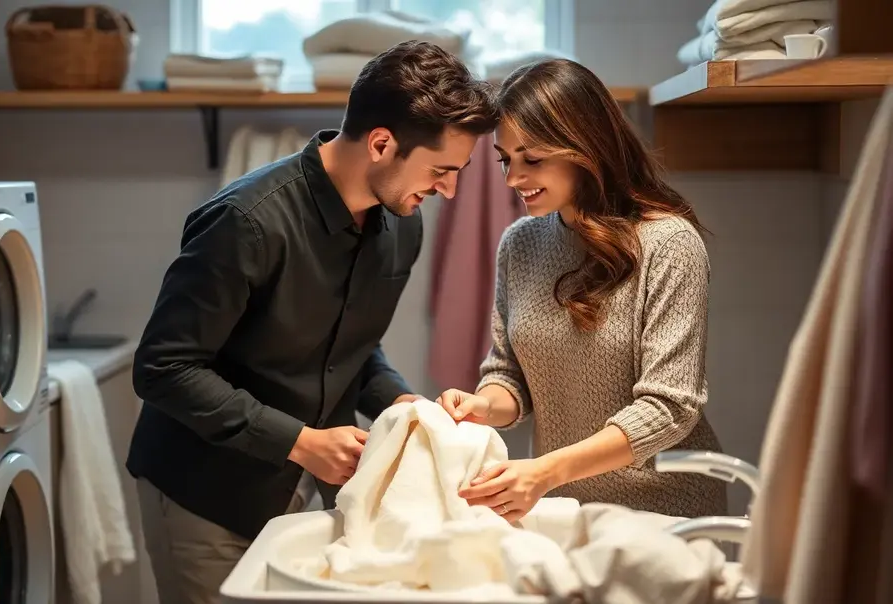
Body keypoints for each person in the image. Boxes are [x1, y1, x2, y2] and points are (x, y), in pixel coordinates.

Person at [126, 40, 499, 604]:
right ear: (381, 143)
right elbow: (163, 368)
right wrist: (300, 441)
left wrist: (403, 406)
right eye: (441, 171)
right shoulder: (246, 222)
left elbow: (351, 345)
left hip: (300, 489)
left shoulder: (401, 225)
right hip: (203, 495)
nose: (447, 190)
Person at [437, 58, 728, 523]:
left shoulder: (669, 244)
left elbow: (670, 408)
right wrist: (483, 404)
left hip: (664, 510)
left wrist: (546, 471)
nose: (513, 179)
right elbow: (510, 374)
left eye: (532, 159)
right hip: (563, 510)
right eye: (506, 160)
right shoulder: (520, 243)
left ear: (584, 147)